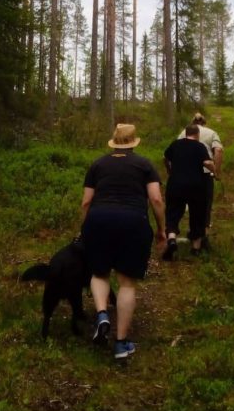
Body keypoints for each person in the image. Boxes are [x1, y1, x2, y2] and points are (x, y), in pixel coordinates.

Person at [80, 123, 166, 361]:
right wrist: (161, 229)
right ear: (134, 142)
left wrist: (85, 228)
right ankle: (120, 343)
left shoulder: (98, 164)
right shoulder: (145, 165)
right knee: (127, 283)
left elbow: (86, 202)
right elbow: (156, 199)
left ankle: (101, 315)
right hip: (132, 223)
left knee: (99, 273)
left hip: (98, 220)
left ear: (114, 142)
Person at [162, 125, 214, 260]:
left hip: (176, 184)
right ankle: (196, 248)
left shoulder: (176, 144)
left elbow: (165, 158)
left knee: (172, 212)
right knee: (198, 214)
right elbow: (207, 163)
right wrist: (214, 169)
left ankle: (172, 239)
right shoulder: (200, 146)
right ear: (197, 135)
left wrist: (169, 170)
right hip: (196, 186)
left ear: (186, 133)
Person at [177, 111, 223, 243]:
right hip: (205, 174)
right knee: (205, 205)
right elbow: (218, 150)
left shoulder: (184, 133)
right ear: (204, 122)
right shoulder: (211, 132)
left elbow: (176, 150)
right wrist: (217, 172)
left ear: (193, 122)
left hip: (186, 174)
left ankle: (192, 233)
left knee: (191, 204)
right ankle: (204, 235)